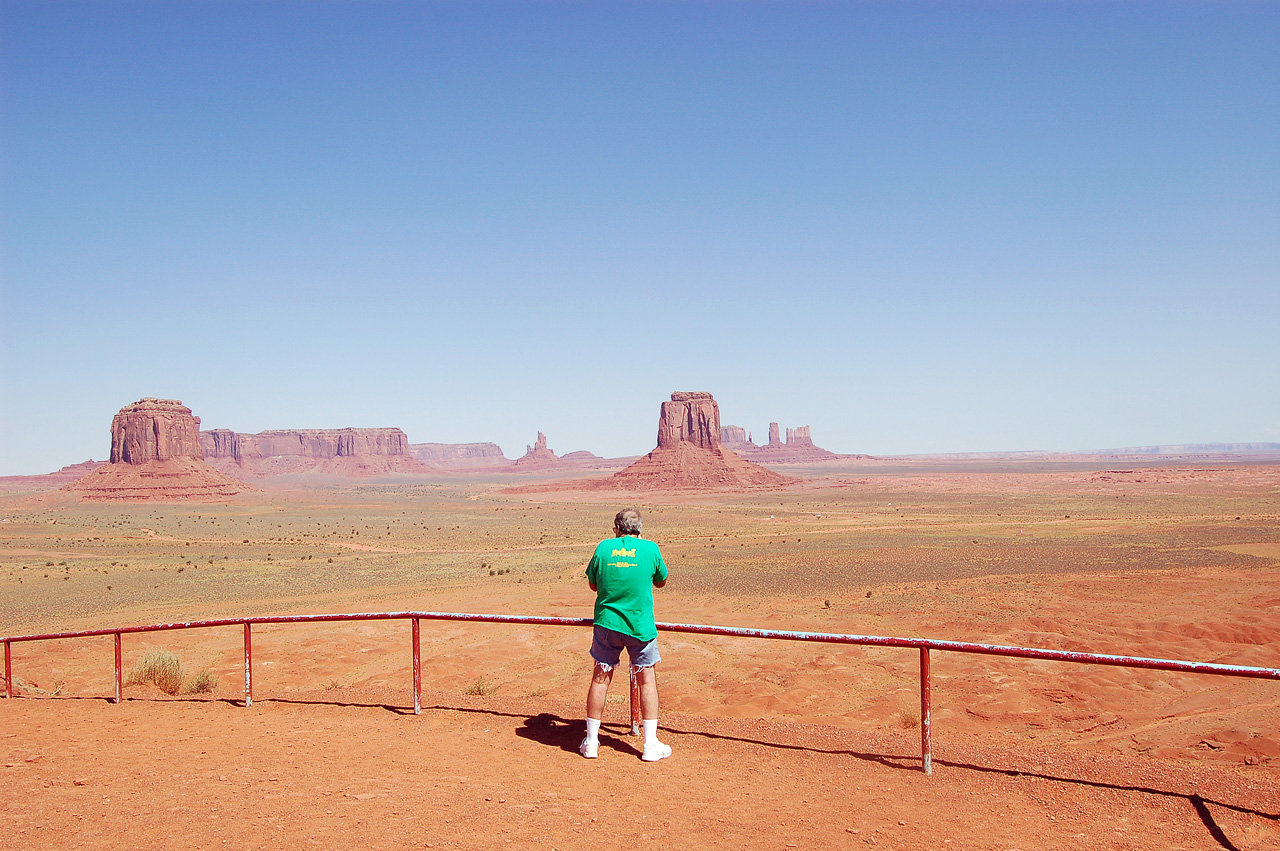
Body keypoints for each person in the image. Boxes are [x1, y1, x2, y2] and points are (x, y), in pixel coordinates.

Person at [580, 507, 670, 761]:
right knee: (647, 680)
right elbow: (661, 580)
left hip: (607, 625)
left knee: (600, 678)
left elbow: (593, 583)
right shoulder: (650, 548)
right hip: (640, 626)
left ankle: (592, 743)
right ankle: (650, 745)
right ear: (640, 529)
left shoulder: (604, 547)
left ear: (616, 528)